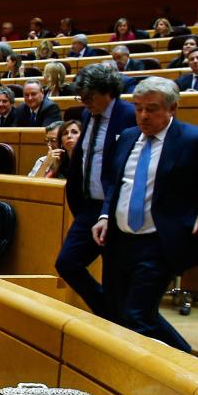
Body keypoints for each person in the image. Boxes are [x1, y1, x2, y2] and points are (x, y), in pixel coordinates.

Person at [91, 77, 198, 352]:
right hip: (119, 240)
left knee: (137, 316)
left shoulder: (194, 140)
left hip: (158, 242)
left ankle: (187, 370)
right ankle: (193, 361)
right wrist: (104, 216)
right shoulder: (126, 138)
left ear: (172, 109)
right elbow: (116, 184)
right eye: (138, 108)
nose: (143, 116)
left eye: (152, 109)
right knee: (119, 312)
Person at [57, 63, 135, 316]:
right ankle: (111, 314)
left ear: (107, 91)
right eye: (81, 97)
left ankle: (118, 319)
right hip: (89, 207)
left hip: (115, 209)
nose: (84, 102)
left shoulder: (128, 115)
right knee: (67, 263)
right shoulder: (88, 114)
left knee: (115, 280)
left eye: (88, 97)